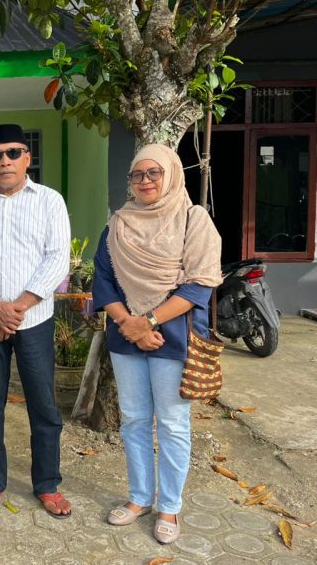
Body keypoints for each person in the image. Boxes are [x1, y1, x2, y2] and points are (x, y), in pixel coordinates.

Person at [92, 143, 222, 544]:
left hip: (175, 335)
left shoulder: (192, 220)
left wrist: (145, 321)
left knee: (171, 423)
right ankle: (138, 498)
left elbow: (199, 284)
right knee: (133, 420)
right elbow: (102, 280)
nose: (145, 181)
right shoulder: (118, 224)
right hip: (125, 336)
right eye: (137, 174)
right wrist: (128, 325)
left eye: (154, 173)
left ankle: (169, 506)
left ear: (171, 175)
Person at [0, 124, 72, 517]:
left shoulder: (50, 201)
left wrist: (15, 309)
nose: (5, 161)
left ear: (27, 158)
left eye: (13, 153)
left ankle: (47, 483)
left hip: (33, 319)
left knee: (43, 405)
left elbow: (57, 258)